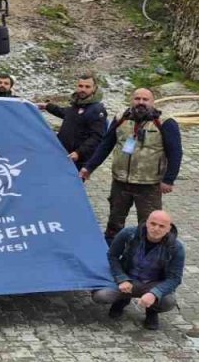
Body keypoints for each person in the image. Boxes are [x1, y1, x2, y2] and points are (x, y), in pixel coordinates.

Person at [80, 88, 183, 241]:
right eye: (137, 98)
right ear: (131, 100)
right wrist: (89, 167)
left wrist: (169, 179)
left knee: (150, 226)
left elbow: (175, 152)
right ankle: (110, 253)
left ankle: (145, 258)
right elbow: (106, 145)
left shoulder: (165, 122)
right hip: (120, 182)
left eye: (145, 99)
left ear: (153, 102)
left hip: (149, 185)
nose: (140, 102)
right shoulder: (121, 118)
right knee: (114, 223)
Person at [91, 210, 184, 330]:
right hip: (128, 278)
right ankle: (122, 300)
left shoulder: (176, 247)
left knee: (168, 302)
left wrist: (154, 293)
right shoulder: (129, 234)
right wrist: (122, 278)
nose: (156, 228)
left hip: (153, 283)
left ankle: (151, 311)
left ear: (168, 228)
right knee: (101, 295)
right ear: (146, 223)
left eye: (161, 226)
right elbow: (112, 256)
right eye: (153, 224)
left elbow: (174, 278)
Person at [38, 73, 107, 170]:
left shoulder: (97, 109)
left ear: (94, 88)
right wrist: (48, 106)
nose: (83, 89)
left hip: (77, 160)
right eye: (80, 86)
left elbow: (97, 137)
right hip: (63, 154)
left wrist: (79, 152)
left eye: (87, 87)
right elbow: (65, 113)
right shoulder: (77, 103)